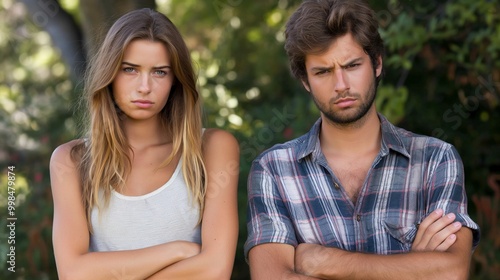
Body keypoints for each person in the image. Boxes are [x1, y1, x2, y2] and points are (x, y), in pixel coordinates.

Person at [245, 0, 480, 279]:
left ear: (377, 63)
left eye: (352, 65)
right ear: (305, 81)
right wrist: (414, 266)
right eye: (323, 71)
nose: (341, 85)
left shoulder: (435, 159)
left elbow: (451, 273)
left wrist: (326, 262)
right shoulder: (273, 169)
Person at [49, 8, 239, 279]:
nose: (144, 87)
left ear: (175, 80)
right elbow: (73, 273)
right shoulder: (71, 160)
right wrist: (178, 250)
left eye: (160, 72)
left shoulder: (212, 148)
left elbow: (216, 270)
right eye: (130, 70)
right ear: (110, 74)